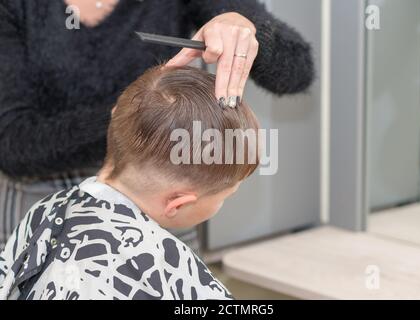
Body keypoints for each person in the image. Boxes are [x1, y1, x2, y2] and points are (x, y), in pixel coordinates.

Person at [0, 0, 315, 251]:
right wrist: (136, 117)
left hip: (164, 189)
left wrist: (248, 29)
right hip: (43, 200)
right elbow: (13, 143)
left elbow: (298, 71)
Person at [0, 65, 260, 300]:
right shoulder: (166, 266)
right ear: (177, 203)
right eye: (225, 197)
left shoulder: (44, 211)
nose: (223, 203)